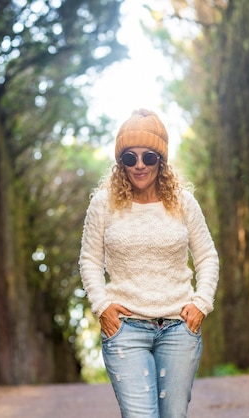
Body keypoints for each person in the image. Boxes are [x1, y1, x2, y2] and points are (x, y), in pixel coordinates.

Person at [79, 109, 219, 418]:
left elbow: (207, 256)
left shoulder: (184, 203)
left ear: (161, 160)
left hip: (178, 328)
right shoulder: (103, 204)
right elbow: (89, 259)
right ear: (121, 162)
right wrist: (101, 305)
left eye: (149, 157)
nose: (139, 165)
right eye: (130, 158)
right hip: (125, 330)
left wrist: (201, 302)